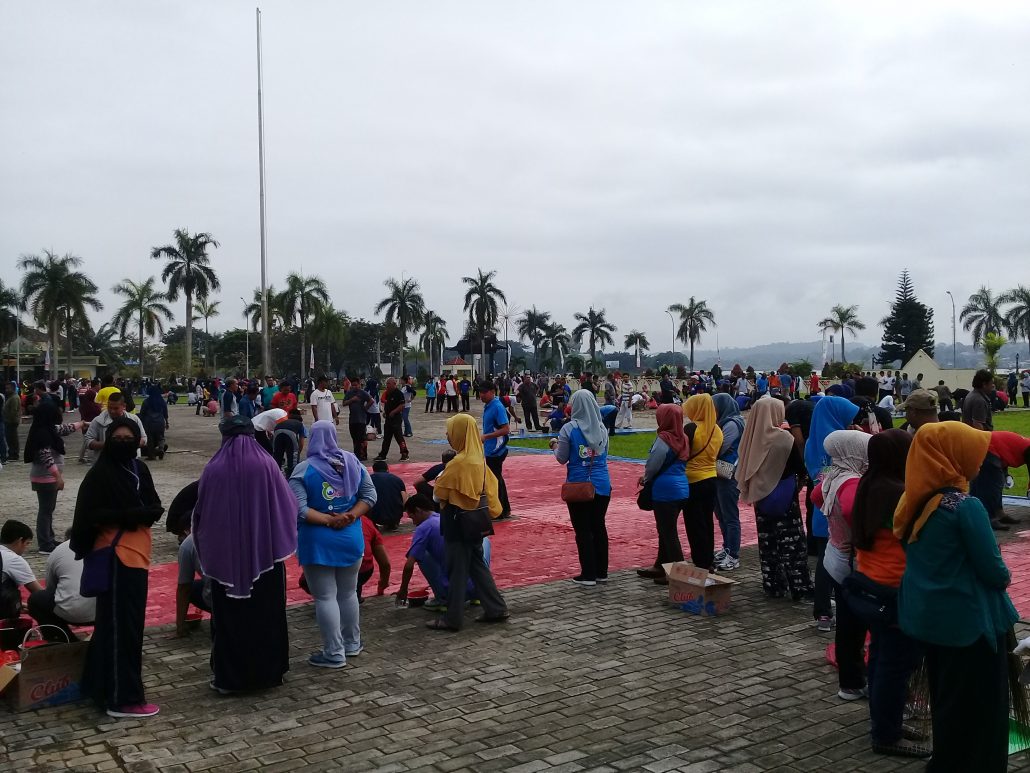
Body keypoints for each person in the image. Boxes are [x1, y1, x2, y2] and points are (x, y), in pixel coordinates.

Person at [894, 422, 1017, 772]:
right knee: (982, 708)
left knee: (947, 699)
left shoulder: (914, 500)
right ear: (952, 456)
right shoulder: (965, 506)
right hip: (971, 625)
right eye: (973, 452)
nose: (979, 460)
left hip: (930, 620)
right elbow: (995, 572)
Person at [193, 416, 297, 691]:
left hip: (227, 562)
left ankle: (230, 678)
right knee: (267, 615)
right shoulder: (266, 465)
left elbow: (202, 516)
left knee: (231, 619)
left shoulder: (214, 468)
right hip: (266, 558)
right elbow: (288, 506)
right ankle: (270, 673)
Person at [71, 417, 164, 718]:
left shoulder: (138, 469)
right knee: (120, 629)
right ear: (109, 440)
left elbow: (153, 504)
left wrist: (141, 513)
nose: (123, 443)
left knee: (126, 627)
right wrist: (130, 515)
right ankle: (121, 699)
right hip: (115, 557)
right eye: (117, 438)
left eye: (129, 438)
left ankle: (97, 686)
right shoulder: (100, 474)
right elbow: (89, 516)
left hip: (137, 555)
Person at [849, 430, 928, 759]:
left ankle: (886, 722)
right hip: (896, 587)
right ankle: (886, 734)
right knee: (895, 665)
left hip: (872, 583)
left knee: (882, 657)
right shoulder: (897, 492)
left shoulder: (869, 484)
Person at [289, 420, 375, 667]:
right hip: (350, 538)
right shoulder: (352, 463)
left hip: (318, 541)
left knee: (325, 597)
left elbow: (298, 509)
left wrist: (328, 519)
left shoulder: (303, 470)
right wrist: (350, 516)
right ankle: (352, 643)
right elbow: (370, 496)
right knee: (348, 593)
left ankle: (334, 652)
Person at [428, 414, 508, 631]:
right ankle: (496, 608)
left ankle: (453, 618)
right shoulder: (479, 460)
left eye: (451, 430)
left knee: (457, 571)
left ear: (461, 433)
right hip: (476, 522)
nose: (448, 434)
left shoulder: (458, 463)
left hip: (457, 522)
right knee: (478, 567)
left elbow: (438, 495)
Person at [812, 430, 871, 700]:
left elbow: (816, 497)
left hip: (834, 552)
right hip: (848, 558)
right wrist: (861, 533)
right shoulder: (852, 482)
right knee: (854, 626)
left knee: (848, 624)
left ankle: (850, 682)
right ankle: (853, 681)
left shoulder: (833, 474)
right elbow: (850, 510)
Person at [737, 397, 812, 600]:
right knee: (791, 542)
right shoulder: (783, 438)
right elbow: (799, 467)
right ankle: (799, 586)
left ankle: (773, 584)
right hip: (784, 496)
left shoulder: (751, 437)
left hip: (760, 496)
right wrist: (802, 479)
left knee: (768, 542)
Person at [805, 395, 862, 632]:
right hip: (837, 507)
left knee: (825, 560)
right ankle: (835, 611)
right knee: (837, 560)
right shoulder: (840, 442)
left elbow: (819, 474)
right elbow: (825, 473)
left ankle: (823, 613)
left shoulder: (813, 440)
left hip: (822, 506)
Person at [548, 389, 611, 586]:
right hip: (602, 484)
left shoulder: (569, 429)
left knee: (583, 530)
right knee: (599, 527)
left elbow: (562, 458)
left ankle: (588, 574)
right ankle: (601, 572)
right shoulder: (602, 428)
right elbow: (605, 454)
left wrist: (554, 446)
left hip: (579, 486)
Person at [635, 404, 691, 584]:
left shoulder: (664, 439)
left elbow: (653, 464)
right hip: (681, 488)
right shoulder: (684, 437)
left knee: (668, 532)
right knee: (665, 529)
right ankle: (660, 565)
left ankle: (679, 575)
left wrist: (646, 478)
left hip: (665, 490)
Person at [24, 399, 82, 554]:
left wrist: (81, 424)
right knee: (45, 510)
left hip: (45, 477)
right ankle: (45, 543)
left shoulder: (46, 428)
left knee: (48, 509)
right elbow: (46, 456)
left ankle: (49, 538)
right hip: (45, 478)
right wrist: (58, 477)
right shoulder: (42, 433)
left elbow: (64, 429)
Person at [27, 534, 97, 642]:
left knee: (37, 599)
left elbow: (50, 588)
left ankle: (61, 641)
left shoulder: (60, 549)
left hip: (71, 611)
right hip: (107, 610)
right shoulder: (107, 543)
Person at [681, 394, 723, 571]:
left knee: (694, 523)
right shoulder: (717, 430)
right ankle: (707, 559)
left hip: (692, 480)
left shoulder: (691, 428)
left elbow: (682, 453)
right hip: (711, 478)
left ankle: (701, 562)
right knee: (707, 521)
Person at [712, 393, 743, 571]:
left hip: (728, 474)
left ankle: (733, 555)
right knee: (721, 514)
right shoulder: (725, 422)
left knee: (730, 516)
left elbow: (719, 447)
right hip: (720, 473)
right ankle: (727, 548)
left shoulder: (732, 423)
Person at [84, 393, 147, 464]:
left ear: (124, 406)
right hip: (105, 464)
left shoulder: (134, 419)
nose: (112, 411)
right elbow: (88, 441)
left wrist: (129, 445)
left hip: (131, 463)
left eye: (116, 408)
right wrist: (107, 445)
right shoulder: (98, 421)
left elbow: (144, 439)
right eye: (109, 407)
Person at [480, 382, 512, 519]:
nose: (481, 395)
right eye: (480, 392)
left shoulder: (497, 407)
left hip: (496, 450)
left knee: (494, 481)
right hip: (490, 448)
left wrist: (486, 436)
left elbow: (506, 429)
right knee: (496, 479)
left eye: (484, 392)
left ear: (493, 391)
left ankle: (499, 511)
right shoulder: (489, 406)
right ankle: (504, 509)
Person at [1, 520, 43, 619]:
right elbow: (38, 592)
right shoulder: (14, 559)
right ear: (19, 541)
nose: (25, 548)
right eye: (27, 543)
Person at [356, 515, 390, 601]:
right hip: (362, 570)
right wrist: (383, 582)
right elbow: (385, 563)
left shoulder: (325, 521)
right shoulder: (365, 522)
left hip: (334, 569)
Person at [374, 377, 409, 462]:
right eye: (387, 384)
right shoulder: (388, 393)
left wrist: (393, 412)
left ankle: (405, 453)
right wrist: (385, 412)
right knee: (386, 438)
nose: (387, 385)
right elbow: (387, 404)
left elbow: (402, 405)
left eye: (389, 384)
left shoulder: (398, 393)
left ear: (394, 384)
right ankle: (383, 455)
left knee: (399, 437)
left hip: (396, 419)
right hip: (388, 419)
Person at [369, 460, 408, 531]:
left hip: (375, 515)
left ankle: (372, 524)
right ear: (387, 469)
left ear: (374, 470)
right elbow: (405, 499)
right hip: (394, 515)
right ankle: (393, 523)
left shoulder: (369, 479)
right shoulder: (397, 479)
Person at [342, 377, 374, 460]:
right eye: (352, 385)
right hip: (352, 419)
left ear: (359, 385)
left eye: (356, 385)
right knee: (354, 437)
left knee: (361, 438)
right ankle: (356, 454)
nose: (354, 387)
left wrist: (365, 408)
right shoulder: (349, 393)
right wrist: (352, 400)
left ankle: (363, 455)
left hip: (361, 419)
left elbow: (371, 400)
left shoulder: (362, 393)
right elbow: (344, 403)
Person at [273, 409, 307, 478]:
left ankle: (275, 475)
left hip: (277, 431)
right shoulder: (300, 424)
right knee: (293, 457)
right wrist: (297, 452)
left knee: (277, 455)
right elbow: (301, 441)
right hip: (290, 433)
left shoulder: (283, 422)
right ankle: (291, 476)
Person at [139, 385, 169, 461]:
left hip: (149, 423)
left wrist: (141, 423)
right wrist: (167, 422)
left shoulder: (146, 402)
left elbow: (142, 413)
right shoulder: (162, 401)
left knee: (150, 439)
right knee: (161, 437)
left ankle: (152, 456)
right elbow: (165, 413)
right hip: (160, 422)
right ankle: (161, 448)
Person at [3, 382, 20, 462]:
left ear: (13, 388)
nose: (6, 390)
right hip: (9, 421)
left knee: (12, 438)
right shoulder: (11, 397)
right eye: (6, 388)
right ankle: (12, 453)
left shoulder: (14, 398)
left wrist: (10, 419)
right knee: (10, 438)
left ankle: (14, 454)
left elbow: (14, 411)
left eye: (8, 388)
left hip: (11, 421)